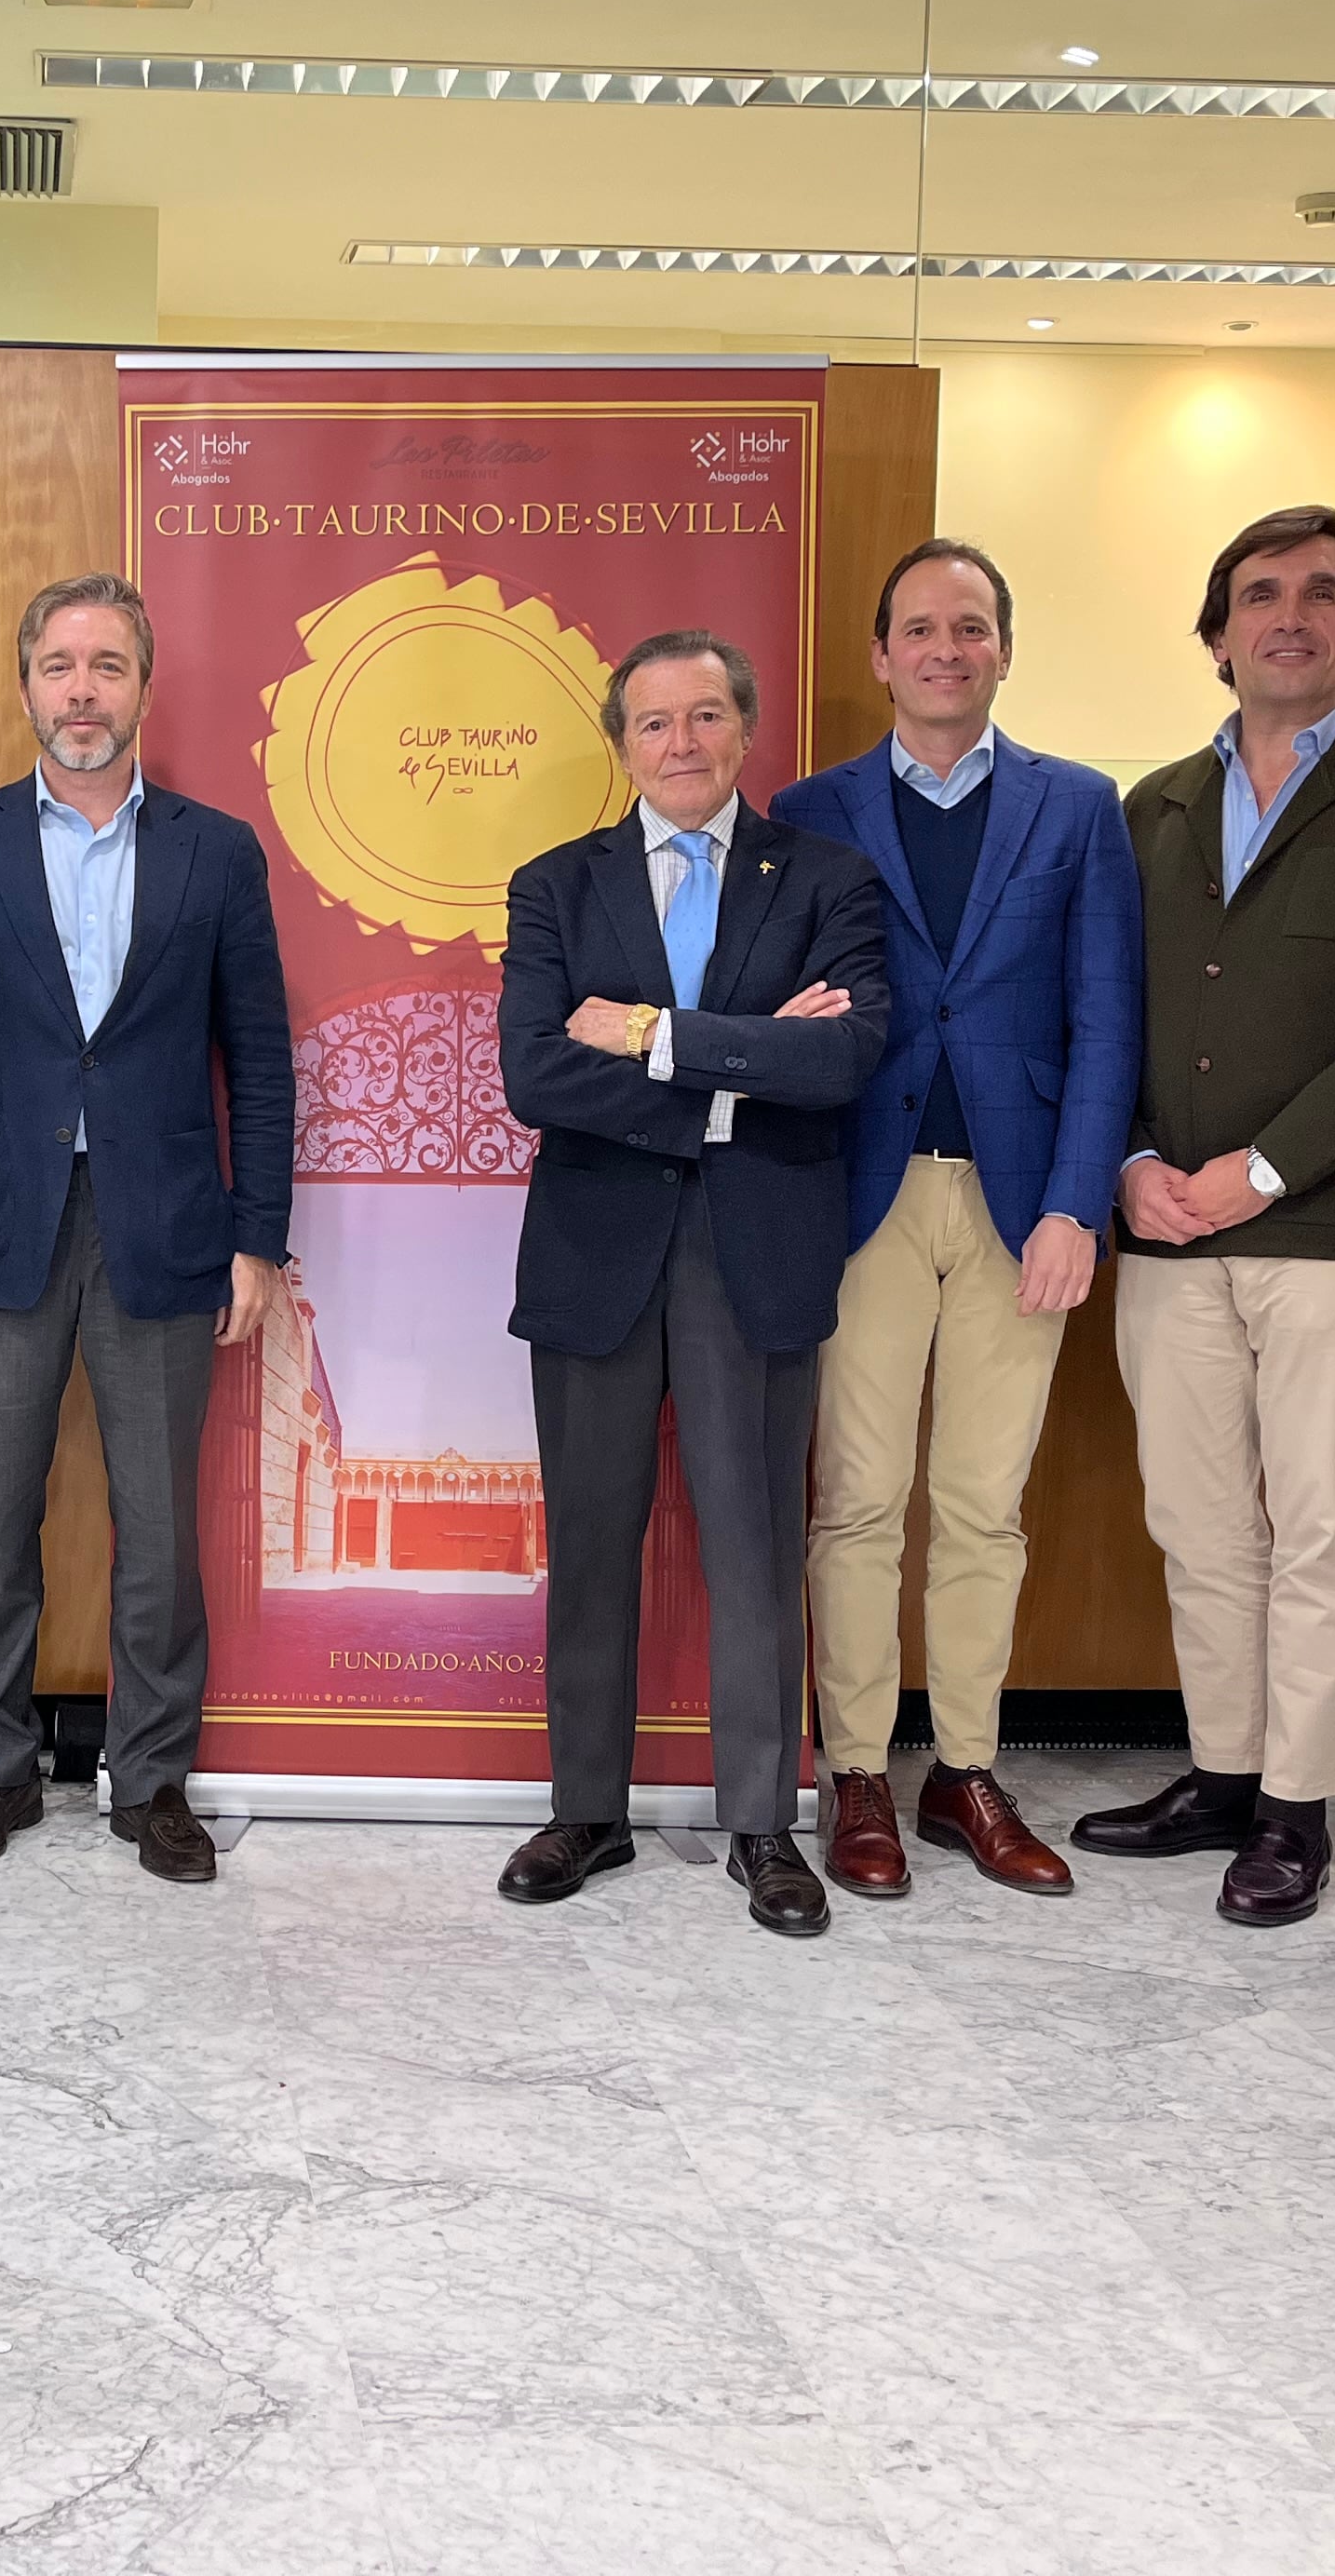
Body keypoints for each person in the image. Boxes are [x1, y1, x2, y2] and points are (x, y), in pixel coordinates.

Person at [1073, 504, 1335, 1928]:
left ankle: (1298, 1809)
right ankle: (1224, 1772)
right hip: (1167, 1228)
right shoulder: (1151, 809)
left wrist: (1262, 1169)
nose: (1291, 616)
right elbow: (1106, 1010)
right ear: (1217, 638)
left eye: (1324, 595)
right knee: (1198, 1522)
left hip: (1333, 1227)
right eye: (1261, 596)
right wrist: (1129, 1160)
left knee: (1318, 1528)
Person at [0, 572, 292, 1882]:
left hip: (165, 1230)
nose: (81, 690)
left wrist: (258, 1237)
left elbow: (263, 1061)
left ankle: (154, 1780)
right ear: (25, 688)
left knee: (161, 1532)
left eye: (107, 666)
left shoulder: (216, 851)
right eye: (59, 666)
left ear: (143, 690)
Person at [493, 629, 891, 1937]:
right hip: (597, 1253)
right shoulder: (556, 886)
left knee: (753, 1546)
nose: (681, 743)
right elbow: (539, 1078)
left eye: (706, 716)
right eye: (654, 722)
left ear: (745, 732)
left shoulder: (827, 878)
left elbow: (843, 1065)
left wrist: (658, 1040)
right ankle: (584, 1809)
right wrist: (743, 1068)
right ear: (621, 744)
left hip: (756, 1256)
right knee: (593, 1543)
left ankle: (763, 1826)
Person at [769, 540, 1141, 1902]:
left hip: (1015, 1203)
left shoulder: (1078, 808)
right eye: (919, 628)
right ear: (879, 655)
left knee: (987, 1504)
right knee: (858, 1500)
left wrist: (1075, 1206)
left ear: (1002, 649)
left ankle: (966, 1772)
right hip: (857, 1193)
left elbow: (1108, 1021)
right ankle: (857, 1769)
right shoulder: (809, 809)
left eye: (970, 627)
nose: (944, 649)